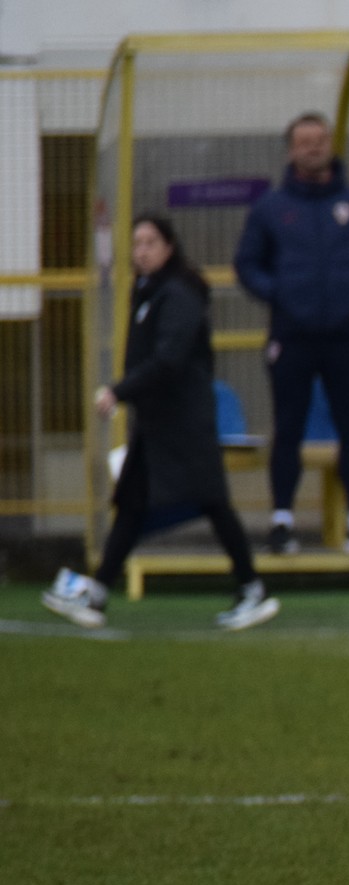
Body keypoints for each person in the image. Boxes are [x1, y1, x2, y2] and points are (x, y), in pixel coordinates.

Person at [43, 216, 278, 632]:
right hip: (155, 422)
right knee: (131, 504)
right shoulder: (148, 292)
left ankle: (251, 589)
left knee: (213, 501)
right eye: (137, 243)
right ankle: (97, 593)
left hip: (184, 421)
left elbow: (169, 360)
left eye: (151, 242)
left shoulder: (179, 294)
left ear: (170, 247)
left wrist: (118, 391)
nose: (142, 251)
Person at [234, 111, 349, 557]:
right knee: (288, 427)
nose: (313, 148)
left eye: (320, 140)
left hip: (345, 335)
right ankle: (282, 523)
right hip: (291, 335)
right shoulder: (271, 208)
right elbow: (247, 264)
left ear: (331, 145)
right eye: (305, 141)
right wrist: (280, 294)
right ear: (291, 150)